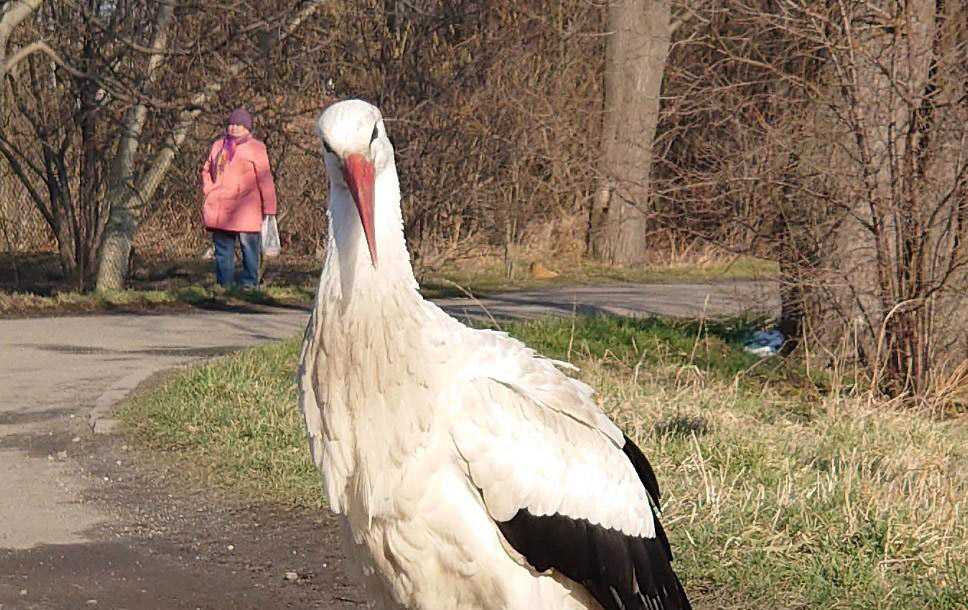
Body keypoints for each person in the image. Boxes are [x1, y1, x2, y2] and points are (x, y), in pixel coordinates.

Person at [200, 107, 278, 288]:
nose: (234, 128)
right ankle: (224, 286)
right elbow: (206, 170)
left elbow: (265, 180)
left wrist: (269, 208)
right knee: (222, 251)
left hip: (247, 209)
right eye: (232, 124)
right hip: (220, 209)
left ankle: (249, 285)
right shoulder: (218, 146)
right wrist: (209, 189)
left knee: (249, 250)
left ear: (248, 128)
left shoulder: (256, 148)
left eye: (239, 125)